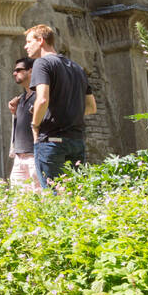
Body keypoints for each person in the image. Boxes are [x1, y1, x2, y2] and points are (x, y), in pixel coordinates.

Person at [25, 24, 98, 188]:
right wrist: (66, 111)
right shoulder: (78, 68)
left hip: (51, 141)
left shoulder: (42, 63)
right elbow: (91, 107)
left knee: (53, 196)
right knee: (77, 194)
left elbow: (42, 99)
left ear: (41, 40)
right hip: (77, 141)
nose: (26, 46)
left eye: (29, 41)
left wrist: (35, 126)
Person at [7, 56, 42, 191]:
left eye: (19, 70)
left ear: (31, 71)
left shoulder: (41, 96)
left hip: (35, 155)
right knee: (19, 201)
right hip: (19, 156)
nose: (14, 73)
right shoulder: (21, 98)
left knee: (40, 196)